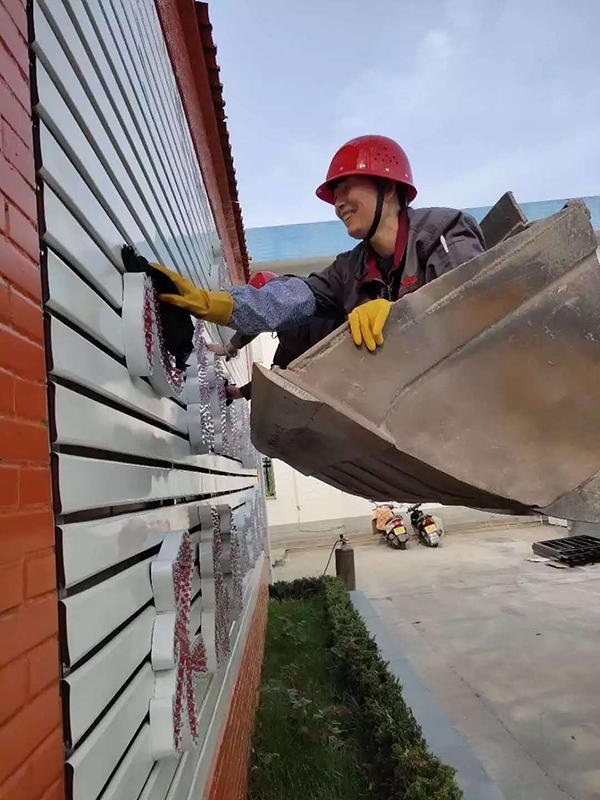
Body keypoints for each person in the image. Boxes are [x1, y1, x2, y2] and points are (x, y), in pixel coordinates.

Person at [154, 135, 485, 350]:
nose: (338, 204)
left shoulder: (443, 231)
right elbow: (288, 300)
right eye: (334, 195)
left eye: (347, 188)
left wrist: (401, 313)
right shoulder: (349, 269)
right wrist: (214, 303)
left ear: (388, 188)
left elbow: (476, 304)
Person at [209, 270, 345, 400]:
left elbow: (260, 315)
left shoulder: (287, 313)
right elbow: (260, 320)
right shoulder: (300, 292)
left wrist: (230, 349)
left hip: (334, 364)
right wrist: (241, 391)